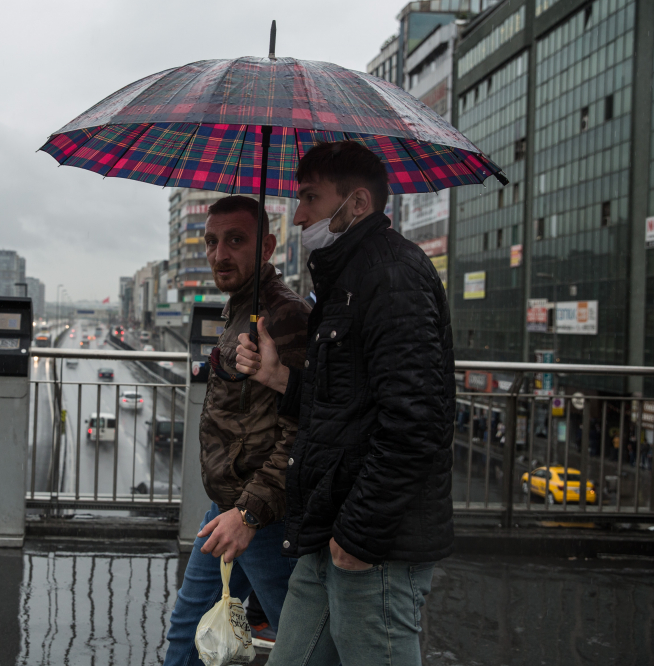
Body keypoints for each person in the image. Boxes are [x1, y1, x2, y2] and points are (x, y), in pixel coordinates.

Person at [235, 141, 455, 666]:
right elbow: (344, 403)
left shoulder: (392, 275)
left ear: (357, 203)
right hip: (327, 525)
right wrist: (277, 375)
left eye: (310, 198)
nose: (298, 215)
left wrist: (357, 535)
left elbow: (415, 422)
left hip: (373, 544)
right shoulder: (345, 279)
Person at [163, 195, 310, 665]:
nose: (219, 254)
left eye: (235, 240)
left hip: (263, 515)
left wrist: (249, 514)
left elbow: (301, 427)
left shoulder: (283, 317)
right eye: (210, 241)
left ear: (266, 245)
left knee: (302, 641)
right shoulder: (239, 308)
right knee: (188, 630)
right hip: (228, 505)